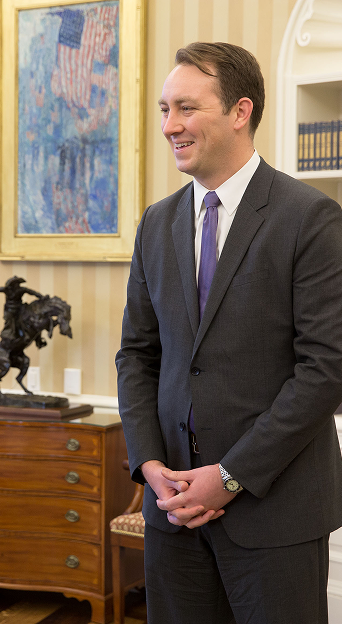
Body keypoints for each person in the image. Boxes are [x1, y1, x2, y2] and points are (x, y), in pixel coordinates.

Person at [116, 42, 342, 624]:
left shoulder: (310, 219)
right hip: (172, 516)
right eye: (165, 110)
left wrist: (230, 476)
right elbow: (137, 355)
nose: (171, 126)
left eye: (186, 108)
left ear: (240, 112)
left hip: (276, 517)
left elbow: (325, 371)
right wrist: (146, 464)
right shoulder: (155, 223)